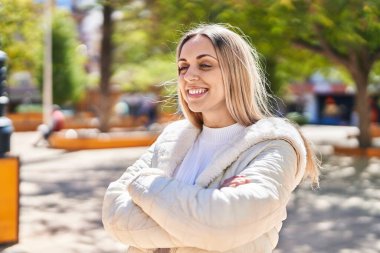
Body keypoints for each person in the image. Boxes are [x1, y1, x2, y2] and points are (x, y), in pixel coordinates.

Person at [102, 24, 320, 253]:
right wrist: (195, 226)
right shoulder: (172, 139)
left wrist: (143, 185)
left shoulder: (274, 146)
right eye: (183, 67)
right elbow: (113, 214)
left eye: (205, 65)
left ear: (236, 73)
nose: (189, 76)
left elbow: (224, 224)